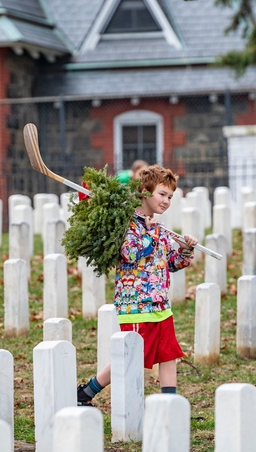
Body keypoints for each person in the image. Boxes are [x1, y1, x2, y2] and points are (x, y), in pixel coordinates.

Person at [77, 165, 197, 405]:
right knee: (130, 355)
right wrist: (151, 233)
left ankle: (169, 403)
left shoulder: (159, 229)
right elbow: (131, 253)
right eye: (162, 194)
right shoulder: (128, 225)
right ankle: (86, 392)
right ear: (144, 191)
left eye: (170, 197)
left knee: (168, 354)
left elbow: (170, 263)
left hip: (160, 304)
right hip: (136, 306)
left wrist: (185, 250)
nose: (166, 201)